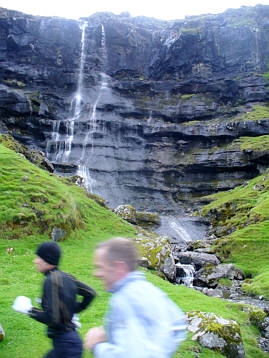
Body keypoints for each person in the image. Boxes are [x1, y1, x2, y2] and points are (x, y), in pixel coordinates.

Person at [84, 237, 187, 358]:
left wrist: (97, 346)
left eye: (100, 267)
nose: (96, 273)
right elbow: (178, 325)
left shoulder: (124, 300)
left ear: (119, 267)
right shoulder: (150, 290)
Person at [12, 241, 96, 358]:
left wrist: (29, 310)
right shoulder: (67, 277)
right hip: (70, 342)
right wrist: (73, 310)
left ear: (47, 259)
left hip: (66, 346)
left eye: (38, 257)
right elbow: (90, 293)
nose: (35, 261)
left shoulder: (50, 281)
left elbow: (53, 319)